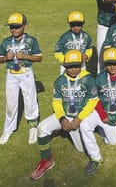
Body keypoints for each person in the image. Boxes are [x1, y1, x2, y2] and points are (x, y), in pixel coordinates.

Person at [30, 50, 98, 180]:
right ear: (64, 66)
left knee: (81, 149)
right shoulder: (60, 80)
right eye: (69, 66)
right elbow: (56, 102)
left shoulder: (88, 78)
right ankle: (46, 160)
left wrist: (79, 118)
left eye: (76, 66)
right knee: (42, 127)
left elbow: (93, 100)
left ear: (81, 64)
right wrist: (61, 118)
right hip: (64, 115)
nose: (73, 69)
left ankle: (67, 132)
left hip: (79, 117)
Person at [80, 47, 116, 176]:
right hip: (101, 110)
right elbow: (95, 99)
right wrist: (102, 116)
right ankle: (95, 157)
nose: (112, 67)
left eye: (115, 63)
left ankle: (101, 130)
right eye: (109, 64)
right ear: (104, 64)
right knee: (84, 125)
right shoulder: (99, 77)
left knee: (112, 142)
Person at [0, 13, 42, 145]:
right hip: (11, 74)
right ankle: (8, 129)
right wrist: (6, 58)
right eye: (11, 27)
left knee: (30, 100)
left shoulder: (31, 40)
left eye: (17, 27)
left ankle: (33, 127)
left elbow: (39, 57)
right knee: (11, 103)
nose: (14, 30)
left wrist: (25, 56)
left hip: (26, 73)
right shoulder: (6, 42)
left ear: (25, 26)